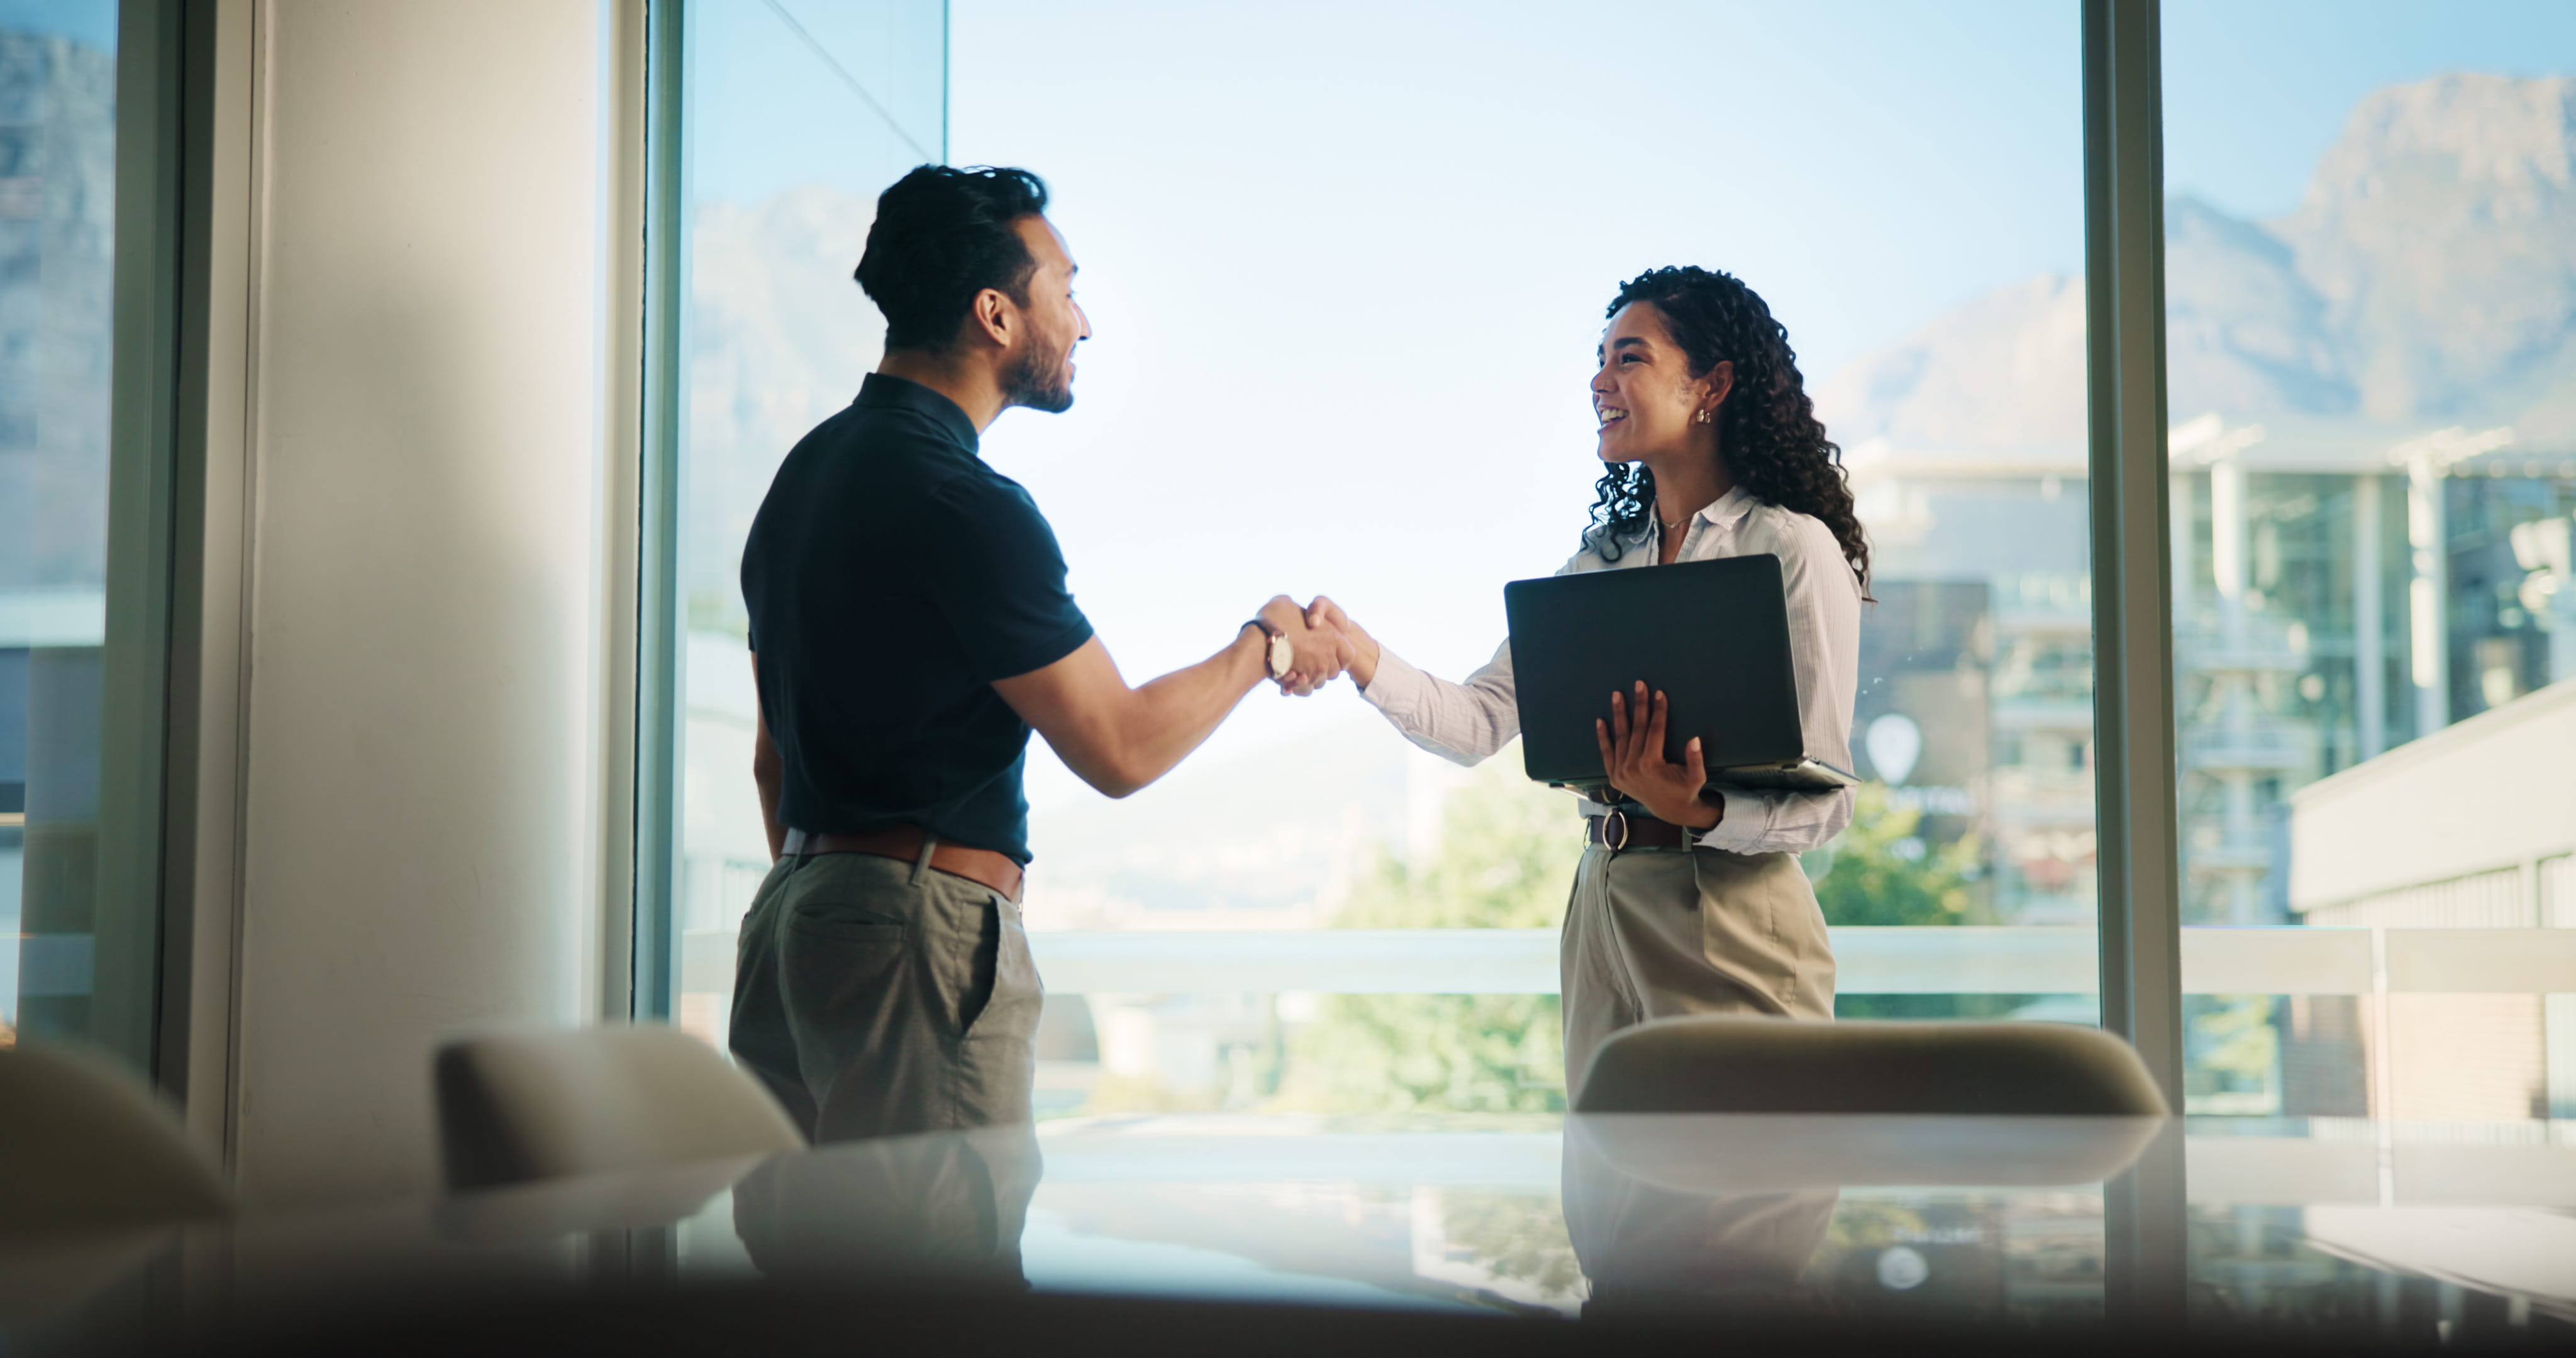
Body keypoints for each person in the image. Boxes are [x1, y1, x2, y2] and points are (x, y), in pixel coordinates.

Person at [732, 165, 1348, 1142]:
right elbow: (1121, 747)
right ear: (997, 315)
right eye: (1065, 288)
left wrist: (835, 907)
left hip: (787, 926)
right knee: (936, 1278)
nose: (1084, 323)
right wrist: (1265, 642)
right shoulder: (965, 504)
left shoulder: (804, 478)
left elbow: (773, 761)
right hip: (912, 935)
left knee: (809, 1276)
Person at [1304, 265, 1867, 1098]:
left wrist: (1700, 810)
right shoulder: (1602, 563)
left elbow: (1829, 804)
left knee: (1737, 1205)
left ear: (1709, 384)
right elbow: (1476, 724)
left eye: (1629, 358)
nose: (1599, 381)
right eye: (1600, 358)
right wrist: (1360, 656)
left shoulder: (1790, 548)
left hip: (1734, 920)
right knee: (1614, 1207)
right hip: (1604, 907)